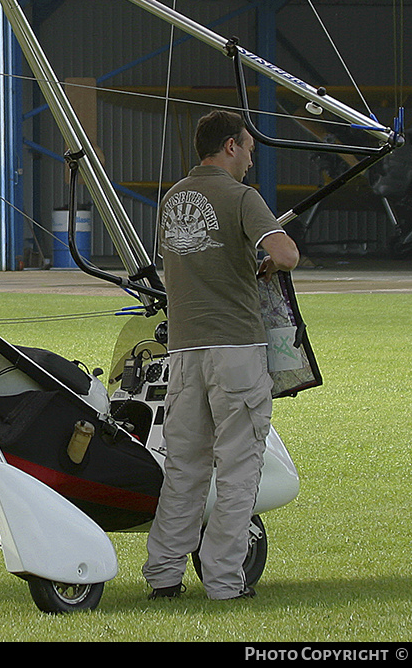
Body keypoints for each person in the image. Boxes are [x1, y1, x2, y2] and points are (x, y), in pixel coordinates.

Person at [142, 109, 299, 600]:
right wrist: (269, 257)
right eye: (249, 149)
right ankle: (226, 580)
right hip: (236, 348)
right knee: (238, 468)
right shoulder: (241, 197)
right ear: (231, 146)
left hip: (185, 351)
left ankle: (164, 574)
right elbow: (288, 253)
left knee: (183, 467)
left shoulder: (171, 200)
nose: (251, 160)